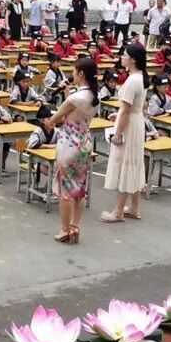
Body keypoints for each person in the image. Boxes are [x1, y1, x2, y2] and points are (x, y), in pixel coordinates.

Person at [47, 57, 99, 244]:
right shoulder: (93, 96)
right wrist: (67, 92)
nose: (72, 75)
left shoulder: (75, 98)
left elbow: (54, 119)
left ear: (81, 74)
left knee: (67, 190)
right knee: (79, 187)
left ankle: (65, 229)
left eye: (74, 72)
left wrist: (52, 118)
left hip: (69, 145)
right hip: (84, 142)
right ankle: (75, 226)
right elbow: (77, 113)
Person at [101, 44, 148, 222]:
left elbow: (127, 110)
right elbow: (132, 108)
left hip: (130, 125)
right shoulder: (140, 76)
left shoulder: (132, 80)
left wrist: (118, 134)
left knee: (126, 165)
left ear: (133, 60)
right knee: (134, 163)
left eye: (125, 55)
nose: (122, 57)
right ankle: (135, 208)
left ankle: (118, 212)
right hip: (136, 121)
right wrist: (119, 115)